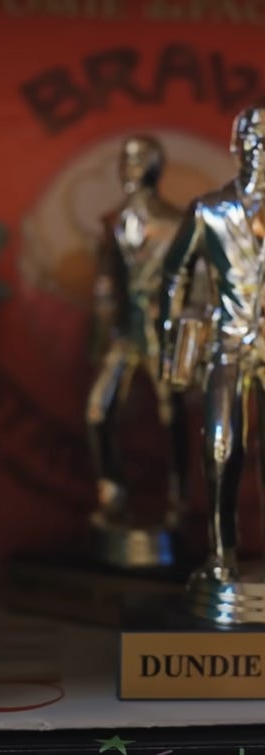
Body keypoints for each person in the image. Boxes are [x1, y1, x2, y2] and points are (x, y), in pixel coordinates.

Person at [160, 106, 265, 587]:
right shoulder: (210, 210)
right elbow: (174, 271)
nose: (259, 147)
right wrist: (175, 334)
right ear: (235, 144)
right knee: (221, 444)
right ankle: (222, 554)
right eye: (252, 138)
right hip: (226, 343)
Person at [87, 135, 187, 538]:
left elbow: (190, 282)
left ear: (155, 167)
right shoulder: (111, 222)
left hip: (162, 336)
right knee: (98, 410)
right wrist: (100, 336)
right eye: (125, 160)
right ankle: (112, 496)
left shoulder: (178, 222)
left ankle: (180, 502)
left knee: (173, 416)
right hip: (124, 337)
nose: (130, 169)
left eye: (139, 160)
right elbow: (105, 283)